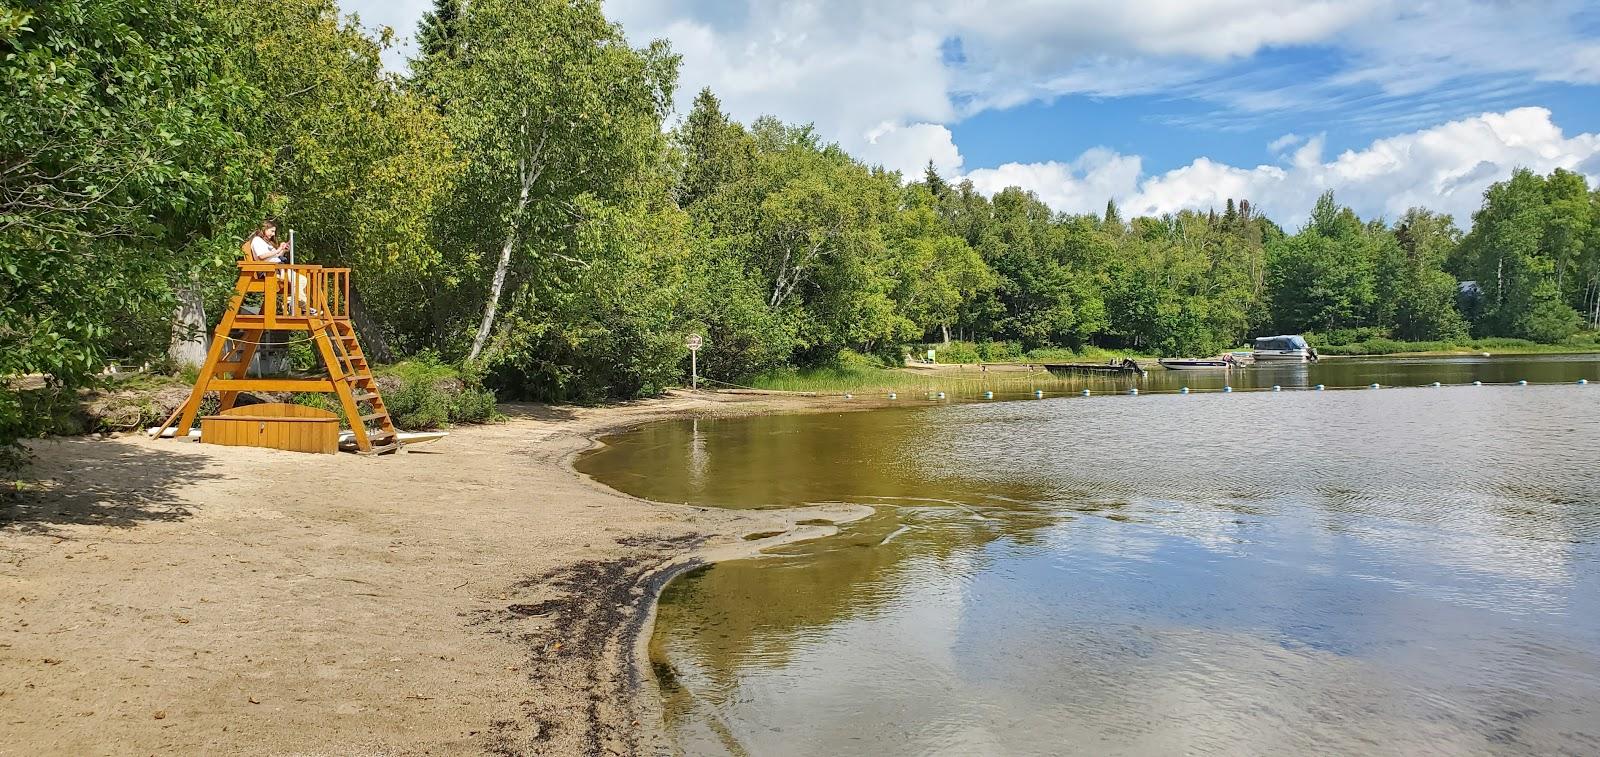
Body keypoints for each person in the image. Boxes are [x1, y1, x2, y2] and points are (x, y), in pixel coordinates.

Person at [242, 220, 312, 313]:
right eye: (272, 231)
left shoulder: (267, 242)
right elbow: (262, 256)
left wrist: (282, 250)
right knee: (298, 281)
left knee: (302, 280)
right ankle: (303, 307)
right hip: (270, 272)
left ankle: (289, 302)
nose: (273, 234)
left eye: (274, 231)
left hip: (277, 269)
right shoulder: (257, 240)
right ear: (264, 229)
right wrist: (278, 249)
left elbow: (275, 256)